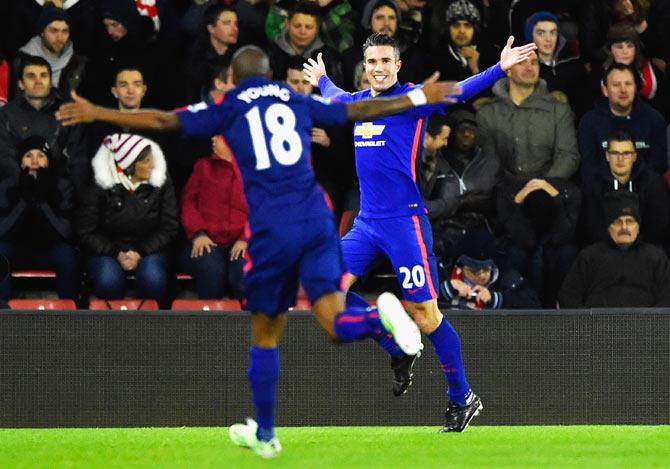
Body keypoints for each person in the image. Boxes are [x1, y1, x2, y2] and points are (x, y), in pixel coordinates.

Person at [56, 45, 461, 457]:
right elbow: (357, 112)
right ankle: (381, 319)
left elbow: (162, 120)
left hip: (272, 232)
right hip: (316, 220)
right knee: (335, 320)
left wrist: (99, 113)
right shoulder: (295, 98)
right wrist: (416, 98)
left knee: (267, 332)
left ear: (233, 77)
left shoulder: (228, 106)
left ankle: (268, 432)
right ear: (271, 77)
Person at [304, 32, 537, 431]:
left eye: (384, 61)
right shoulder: (358, 103)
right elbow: (335, 95)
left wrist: (499, 67)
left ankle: (461, 397)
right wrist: (323, 79)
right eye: (371, 62)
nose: (377, 68)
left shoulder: (411, 99)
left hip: (404, 224)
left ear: (397, 66)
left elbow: (460, 90)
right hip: (367, 223)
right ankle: (396, 345)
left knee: (427, 317)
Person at [77, 134, 178, 308]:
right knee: (108, 281)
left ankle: (156, 326)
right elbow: (86, 231)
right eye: (146, 161)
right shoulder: (101, 182)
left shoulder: (161, 180)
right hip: (109, 250)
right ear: (130, 164)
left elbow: (169, 227)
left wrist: (140, 252)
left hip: (150, 249)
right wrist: (116, 253)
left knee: (153, 279)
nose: (152, 165)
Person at [0, 136, 79, 302]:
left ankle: (71, 311)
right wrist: (25, 199)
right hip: (17, 248)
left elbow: (65, 233)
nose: (35, 161)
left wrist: (41, 200)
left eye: (41, 156)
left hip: (51, 248)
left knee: (68, 256)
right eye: (28, 156)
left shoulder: (62, 186)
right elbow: (3, 230)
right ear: (20, 162)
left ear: (48, 161)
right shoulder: (7, 186)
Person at [559, 191, 670, 308]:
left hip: (644, 324)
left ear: (638, 228)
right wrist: (589, 323)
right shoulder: (589, 256)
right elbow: (568, 297)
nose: (624, 228)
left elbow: (667, 299)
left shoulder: (656, 257)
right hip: (597, 325)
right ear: (607, 227)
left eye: (630, 221)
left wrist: (650, 323)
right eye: (617, 222)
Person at [0, 55, 88, 197]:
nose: (38, 81)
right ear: (21, 84)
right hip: (15, 196)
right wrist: (26, 183)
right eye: (31, 76)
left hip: (60, 197)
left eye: (43, 75)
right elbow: (4, 157)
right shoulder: (5, 115)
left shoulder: (68, 114)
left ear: (50, 80)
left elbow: (78, 161)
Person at [180, 135, 248, 300]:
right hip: (207, 240)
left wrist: (246, 238)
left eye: (219, 136)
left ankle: (248, 323)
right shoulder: (203, 166)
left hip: (243, 242)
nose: (212, 139)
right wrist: (198, 234)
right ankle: (213, 324)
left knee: (243, 273)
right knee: (211, 270)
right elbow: (187, 203)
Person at [579, 130, 669, 247]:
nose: (620, 159)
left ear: (634, 156)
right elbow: (591, 227)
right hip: (604, 248)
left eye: (626, 153)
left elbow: (659, 225)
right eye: (615, 153)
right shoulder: (592, 184)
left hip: (644, 248)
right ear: (607, 156)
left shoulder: (653, 182)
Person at [578, 62, 667, 179]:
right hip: (602, 189)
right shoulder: (589, 121)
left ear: (635, 88)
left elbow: (658, 165)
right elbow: (589, 167)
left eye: (628, 84)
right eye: (616, 85)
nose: (623, 90)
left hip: (644, 188)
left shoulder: (654, 119)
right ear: (605, 90)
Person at [440, 229, 540, 310]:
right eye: (474, 271)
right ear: (461, 267)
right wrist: (446, 289)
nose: (482, 275)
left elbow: (534, 305)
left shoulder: (506, 277)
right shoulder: (443, 272)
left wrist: (497, 299)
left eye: (486, 269)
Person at [12, 4, 88, 100]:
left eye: (64, 31)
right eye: (54, 31)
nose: (60, 38)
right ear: (42, 32)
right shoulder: (21, 61)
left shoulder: (79, 63)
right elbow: (15, 102)